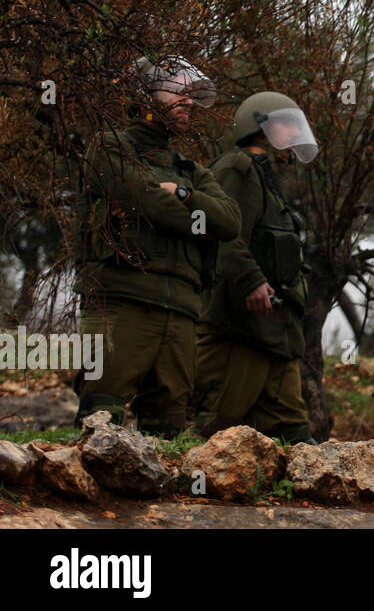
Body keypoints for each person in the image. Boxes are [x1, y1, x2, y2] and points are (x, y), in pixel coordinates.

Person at [74, 57, 241, 435]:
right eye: (177, 91)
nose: (188, 101)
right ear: (144, 95)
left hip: (181, 310)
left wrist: (181, 193)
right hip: (121, 300)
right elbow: (145, 201)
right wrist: (196, 217)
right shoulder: (109, 147)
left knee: (167, 427)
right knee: (101, 418)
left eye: (191, 93)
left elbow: (230, 222)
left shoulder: (190, 170)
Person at [191, 91, 319, 444]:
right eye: (285, 123)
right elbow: (224, 233)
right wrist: (251, 281)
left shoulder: (264, 176)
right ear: (258, 125)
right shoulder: (238, 167)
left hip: (276, 332)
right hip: (241, 329)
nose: (294, 133)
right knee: (216, 425)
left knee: (295, 434)